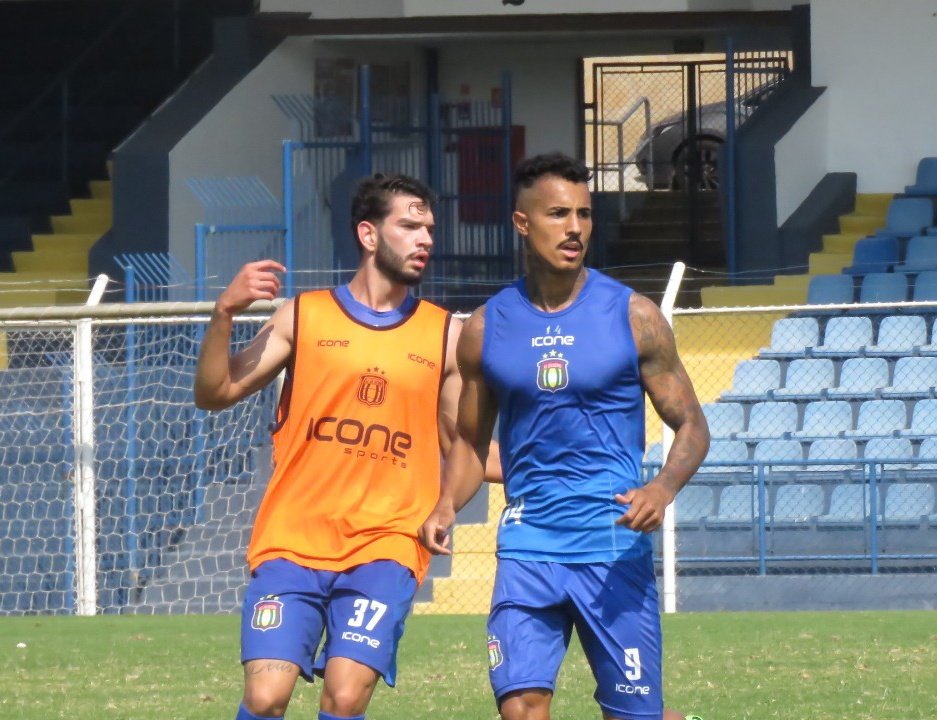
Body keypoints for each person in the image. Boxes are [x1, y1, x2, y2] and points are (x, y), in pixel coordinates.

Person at [419, 153, 711, 720]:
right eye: (558, 213)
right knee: (521, 708)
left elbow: (692, 425)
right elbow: (471, 445)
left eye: (584, 213)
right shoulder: (487, 328)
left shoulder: (634, 315)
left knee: (635, 716)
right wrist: (444, 506)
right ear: (522, 223)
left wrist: (662, 489)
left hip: (611, 544)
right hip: (528, 546)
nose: (575, 227)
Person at [195, 173, 471, 720]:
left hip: (387, 544)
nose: (425, 240)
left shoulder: (446, 335)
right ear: (369, 235)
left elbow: (461, 443)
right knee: (265, 697)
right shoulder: (304, 315)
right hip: (292, 542)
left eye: (430, 229)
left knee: (344, 696)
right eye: (410, 226)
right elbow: (214, 392)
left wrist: (546, 470)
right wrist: (223, 314)